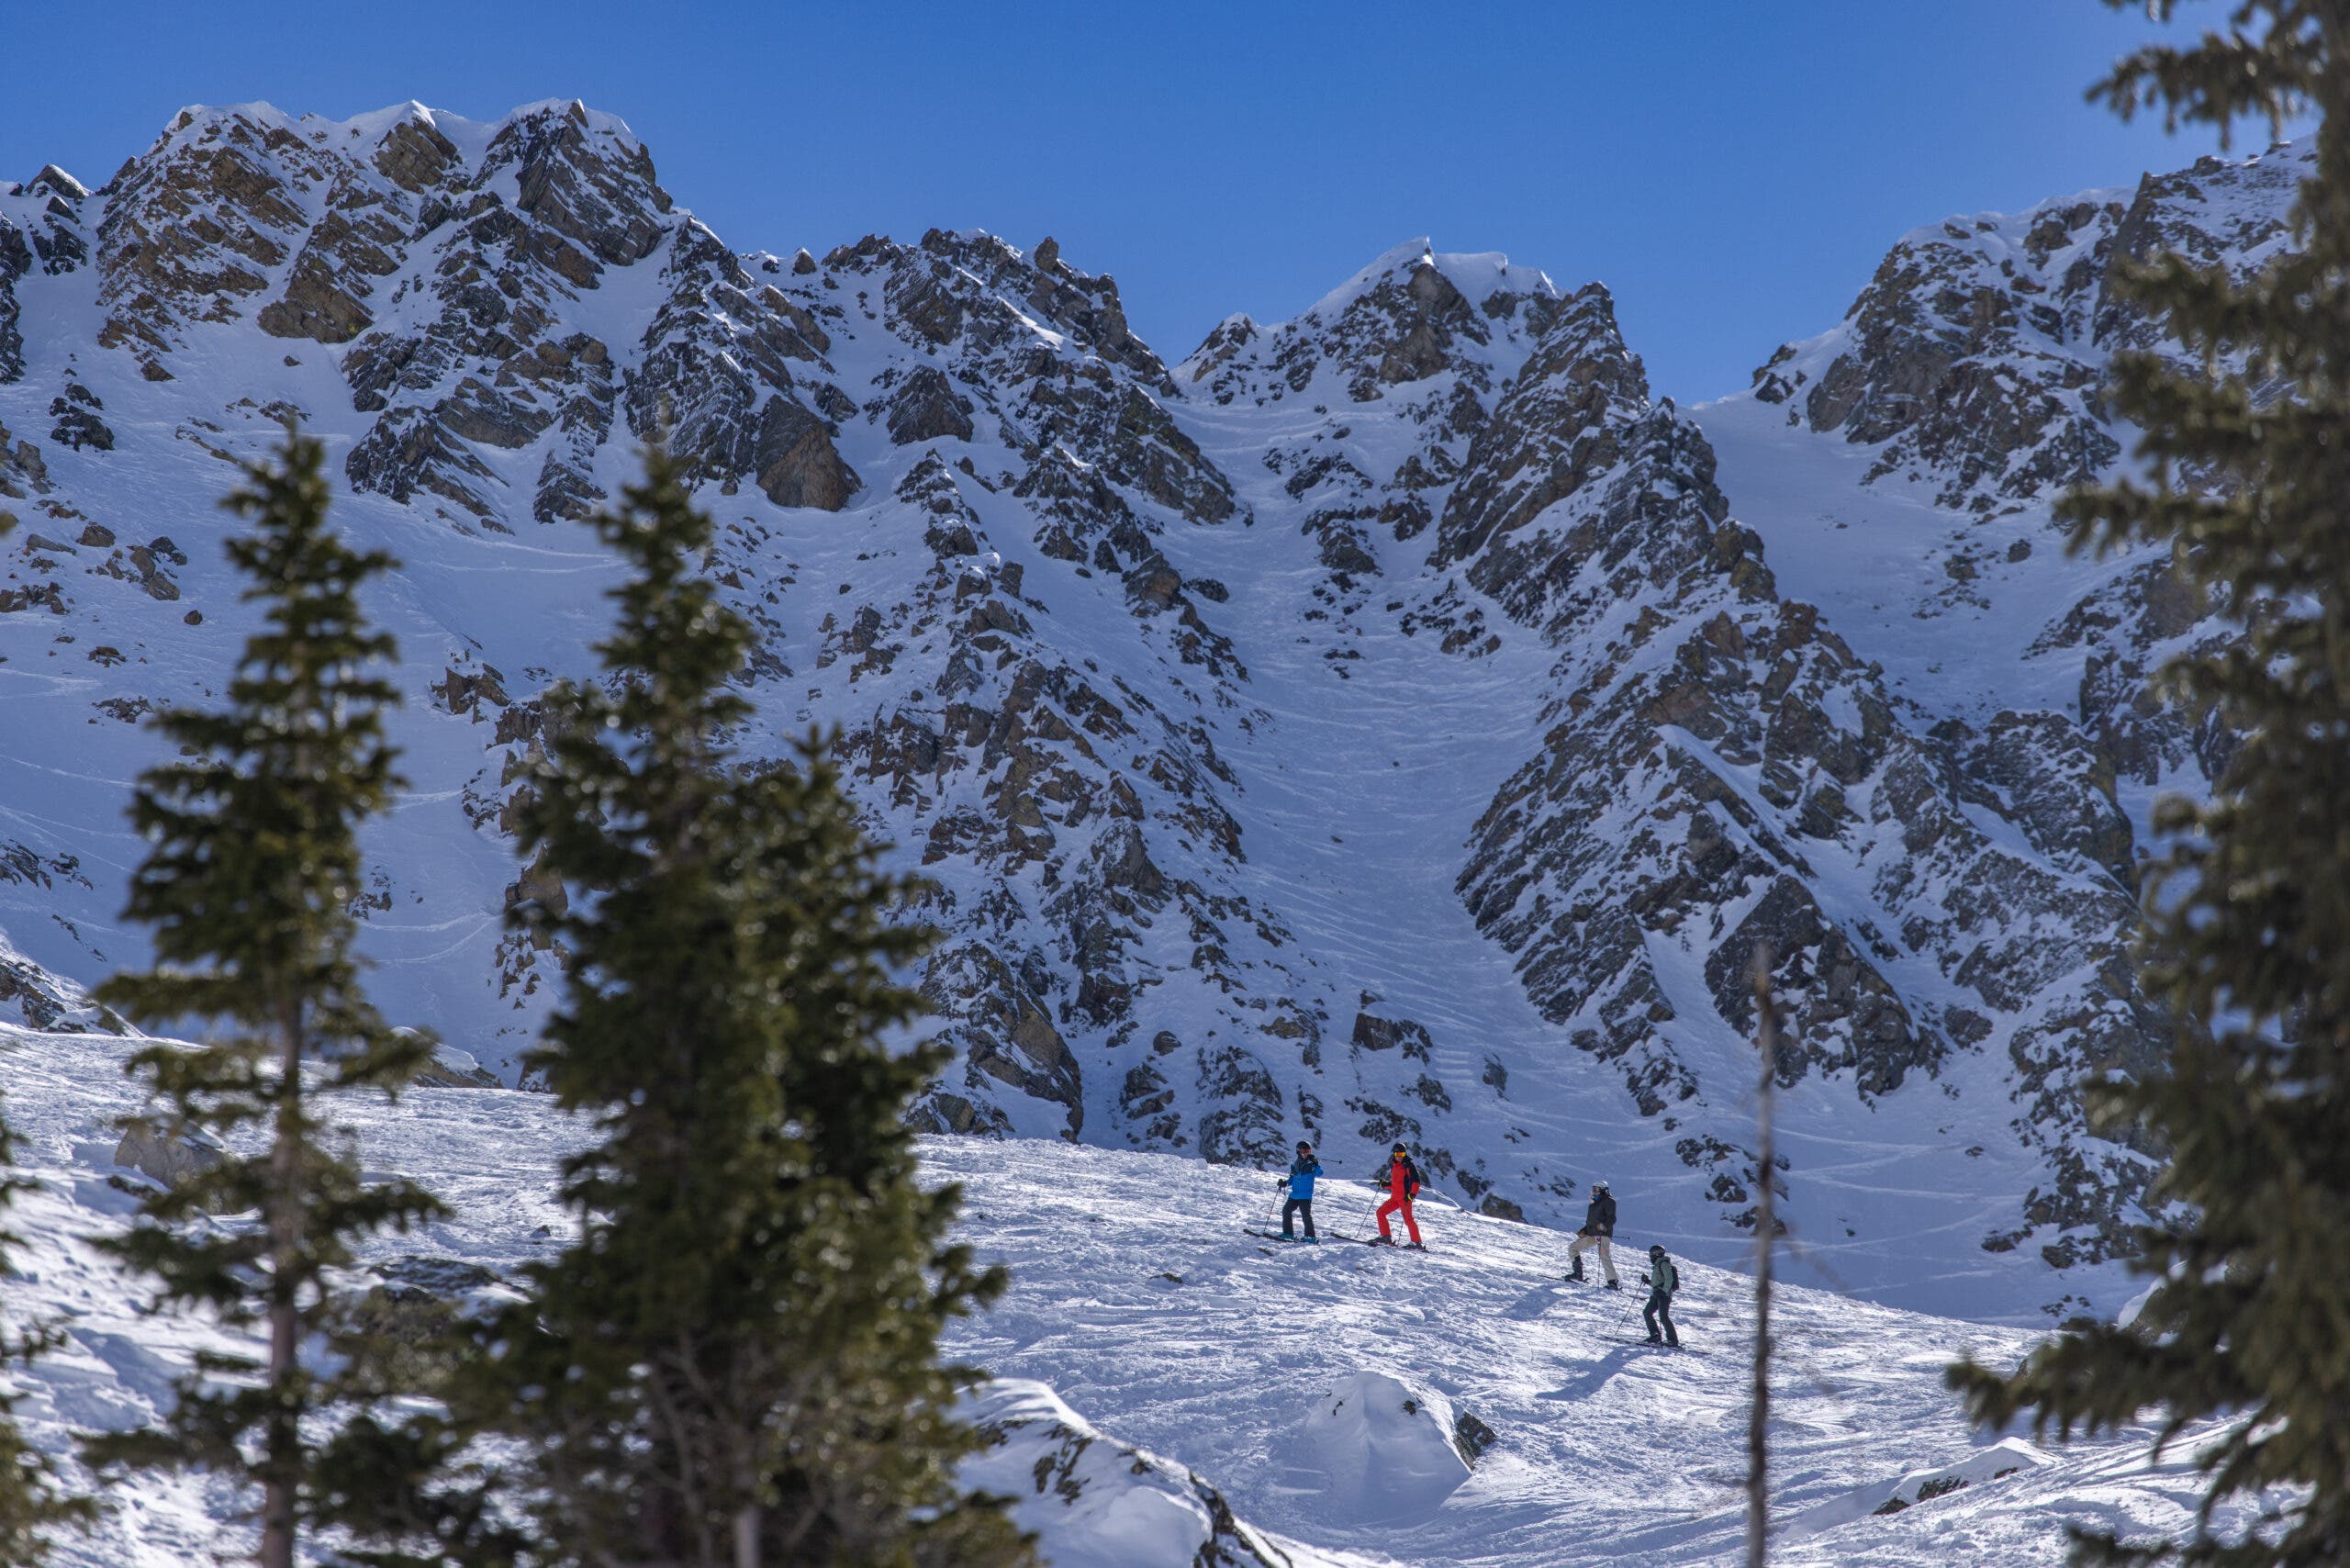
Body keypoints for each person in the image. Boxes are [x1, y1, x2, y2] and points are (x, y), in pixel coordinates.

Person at [1564, 1180, 1619, 1288]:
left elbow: (1612, 1218)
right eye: (1593, 1189)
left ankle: (1613, 1282)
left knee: (1604, 1255)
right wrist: (1584, 1230)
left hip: (1603, 1235)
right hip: (1592, 1235)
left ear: (1603, 1190)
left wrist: (1604, 1226)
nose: (1594, 1192)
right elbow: (1592, 1222)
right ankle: (1578, 1274)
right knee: (1573, 1248)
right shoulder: (1593, 1205)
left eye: (1597, 1189)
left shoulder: (1609, 1201)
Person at [1373, 1142, 1424, 1249]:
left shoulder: (1408, 1166)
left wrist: (1412, 1194)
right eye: (1397, 1154)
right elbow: (1396, 1183)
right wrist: (1385, 1184)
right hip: (1395, 1198)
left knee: (1408, 1220)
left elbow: (1416, 1181)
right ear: (1394, 1154)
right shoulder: (1395, 1166)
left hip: (1405, 1198)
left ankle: (1417, 1243)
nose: (1400, 1157)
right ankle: (1386, 1237)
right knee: (1380, 1212)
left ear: (1405, 1154)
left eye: (1402, 1154)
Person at [1280, 1140, 1322, 1241]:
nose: (1305, 1153)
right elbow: (1292, 1179)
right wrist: (1284, 1183)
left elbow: (1320, 1173)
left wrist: (1316, 1164)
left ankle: (1310, 1237)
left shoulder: (1311, 1164)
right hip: (1294, 1195)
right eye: (1303, 1150)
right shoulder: (1295, 1164)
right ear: (1298, 1151)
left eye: (1307, 1150)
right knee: (1286, 1210)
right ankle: (1288, 1234)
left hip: (1305, 1196)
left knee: (1306, 1216)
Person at [1643, 1243, 1680, 1347]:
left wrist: (1664, 1291)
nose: (1650, 1256)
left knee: (1663, 1317)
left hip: (1664, 1295)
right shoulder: (1657, 1265)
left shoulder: (1664, 1264)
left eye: (1651, 1254)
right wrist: (1647, 1281)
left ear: (1657, 1254)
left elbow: (1669, 1279)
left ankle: (1673, 1341)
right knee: (1647, 1312)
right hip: (1657, 1294)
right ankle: (1655, 1335)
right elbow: (1658, 1283)